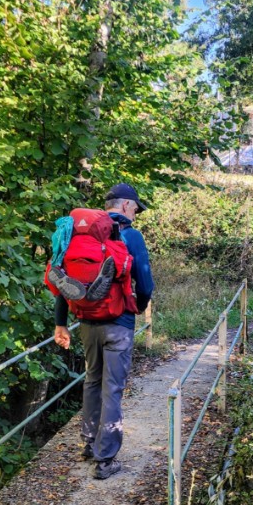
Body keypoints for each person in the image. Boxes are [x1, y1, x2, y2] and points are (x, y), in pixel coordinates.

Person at [53, 184, 154, 480]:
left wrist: (61, 323)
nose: (136, 214)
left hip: (86, 322)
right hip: (118, 323)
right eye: (135, 208)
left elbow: (64, 282)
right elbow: (145, 282)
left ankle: (88, 444)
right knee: (112, 389)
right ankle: (105, 458)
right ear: (124, 206)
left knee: (92, 382)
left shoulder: (79, 236)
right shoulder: (130, 235)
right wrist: (139, 305)